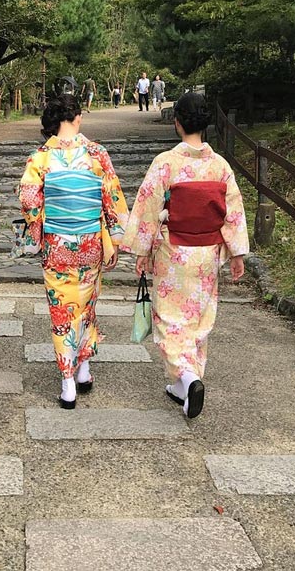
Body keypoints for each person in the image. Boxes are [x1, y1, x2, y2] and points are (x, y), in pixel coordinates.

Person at [120, 92, 249, 419]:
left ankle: (188, 378)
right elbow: (233, 212)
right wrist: (236, 253)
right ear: (205, 124)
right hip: (206, 253)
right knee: (198, 317)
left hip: (174, 251)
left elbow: (148, 208)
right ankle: (183, 385)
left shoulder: (166, 163)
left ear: (177, 123)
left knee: (170, 318)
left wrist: (142, 249)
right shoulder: (219, 166)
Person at [19, 95, 129, 409]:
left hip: (57, 244)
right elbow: (112, 199)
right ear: (77, 117)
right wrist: (114, 241)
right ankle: (83, 368)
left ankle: (68, 381)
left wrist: (41, 228)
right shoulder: (96, 153)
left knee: (61, 310)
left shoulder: (40, 157)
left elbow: (28, 200)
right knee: (87, 305)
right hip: (90, 241)